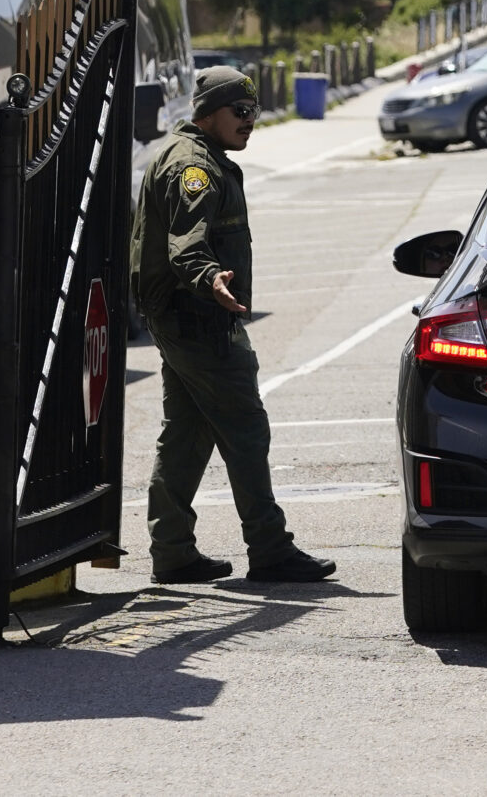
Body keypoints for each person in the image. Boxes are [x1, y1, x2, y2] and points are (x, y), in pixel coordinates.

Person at [130, 66, 336, 585]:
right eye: (239, 112)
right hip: (198, 319)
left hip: (187, 317)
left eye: (255, 112)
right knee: (245, 427)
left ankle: (172, 551)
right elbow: (186, 244)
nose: (250, 122)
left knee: (187, 432)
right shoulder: (193, 169)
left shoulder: (202, 158)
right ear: (208, 113)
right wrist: (209, 280)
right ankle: (269, 549)